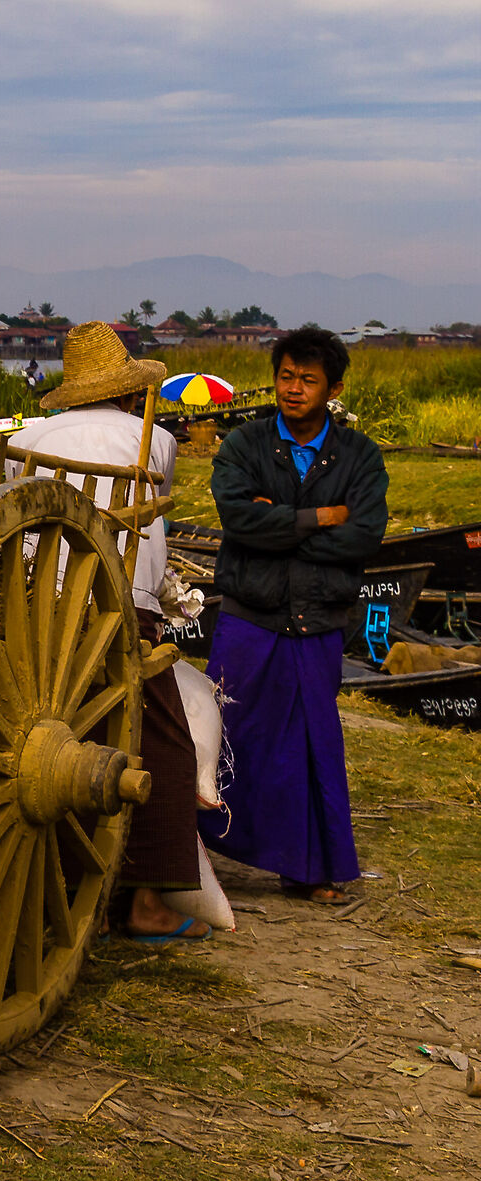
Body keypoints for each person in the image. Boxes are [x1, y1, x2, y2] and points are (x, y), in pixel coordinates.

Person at [5, 324, 205, 939]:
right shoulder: (157, 440)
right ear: (125, 390)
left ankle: (58, 879)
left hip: (37, 611)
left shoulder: (21, 442)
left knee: (53, 727)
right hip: (123, 609)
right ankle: (152, 903)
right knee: (169, 742)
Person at [201, 327, 388, 904]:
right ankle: (196, 855)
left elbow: (363, 536)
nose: (293, 388)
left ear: (332, 388)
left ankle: (307, 870)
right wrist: (316, 518)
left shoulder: (360, 456)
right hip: (249, 615)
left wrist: (278, 523)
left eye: (308, 379)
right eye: (286, 376)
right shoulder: (244, 446)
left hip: (317, 621)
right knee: (222, 737)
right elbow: (238, 520)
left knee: (311, 746)